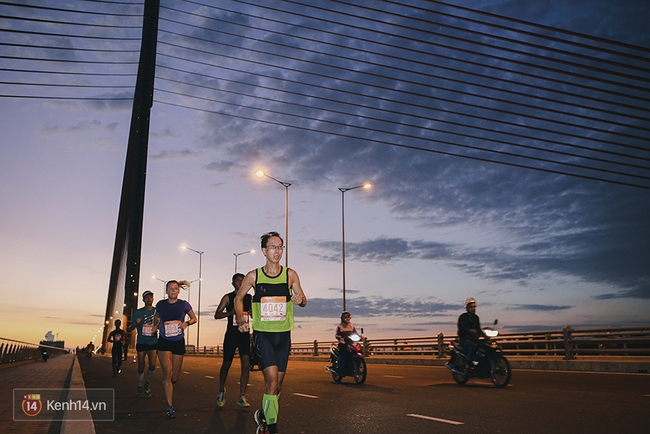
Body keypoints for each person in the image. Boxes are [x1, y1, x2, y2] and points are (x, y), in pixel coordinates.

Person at [234, 231, 307, 434]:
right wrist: (241, 318)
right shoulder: (254, 276)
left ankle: (264, 415)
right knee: (272, 381)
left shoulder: (290, 274)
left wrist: (300, 299)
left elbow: (303, 299)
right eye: (273, 247)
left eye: (280, 247)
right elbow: (238, 299)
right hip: (263, 334)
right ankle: (271, 429)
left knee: (277, 386)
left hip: (284, 336)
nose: (277, 251)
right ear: (264, 251)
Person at [154, 280, 197, 419]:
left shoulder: (184, 304)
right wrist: (156, 323)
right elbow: (157, 316)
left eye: (176, 288)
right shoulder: (161, 304)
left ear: (179, 291)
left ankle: (170, 388)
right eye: (170, 288)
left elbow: (194, 318)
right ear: (166, 291)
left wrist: (187, 323)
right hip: (164, 341)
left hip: (178, 341)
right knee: (167, 372)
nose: (173, 291)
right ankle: (170, 407)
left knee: (174, 377)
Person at [214, 273, 253, 408]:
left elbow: (254, 314)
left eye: (243, 281)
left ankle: (241, 396)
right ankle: (221, 389)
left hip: (244, 334)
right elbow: (217, 315)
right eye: (238, 280)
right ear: (233, 283)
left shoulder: (249, 298)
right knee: (226, 364)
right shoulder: (228, 297)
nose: (241, 283)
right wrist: (230, 313)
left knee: (246, 365)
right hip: (231, 334)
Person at [128, 289, 158, 398]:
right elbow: (130, 328)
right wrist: (136, 323)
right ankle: (139, 387)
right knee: (141, 367)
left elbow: (162, 325)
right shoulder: (138, 312)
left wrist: (158, 326)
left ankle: (147, 384)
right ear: (143, 299)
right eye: (147, 297)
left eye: (151, 297)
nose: (149, 299)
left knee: (153, 365)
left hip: (153, 341)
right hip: (141, 341)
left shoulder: (156, 311)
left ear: (153, 298)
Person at [457, 297, 486, 369]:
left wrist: (484, 333)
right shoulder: (463, 317)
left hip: (474, 339)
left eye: (474, 307)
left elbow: (478, 328)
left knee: (485, 345)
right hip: (465, 339)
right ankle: (467, 364)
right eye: (471, 307)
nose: (473, 308)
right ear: (467, 308)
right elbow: (461, 328)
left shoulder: (476, 317)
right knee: (473, 346)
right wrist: (470, 330)